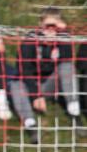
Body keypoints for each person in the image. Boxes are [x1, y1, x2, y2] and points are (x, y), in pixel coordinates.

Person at [8, 7, 80, 143]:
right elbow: (24, 70)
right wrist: (36, 95)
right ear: (41, 25)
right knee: (15, 83)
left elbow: (68, 59)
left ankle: (75, 113)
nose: (51, 29)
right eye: (48, 26)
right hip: (30, 86)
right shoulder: (30, 40)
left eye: (55, 26)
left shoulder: (63, 38)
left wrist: (62, 35)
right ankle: (31, 125)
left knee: (67, 67)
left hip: (51, 85)